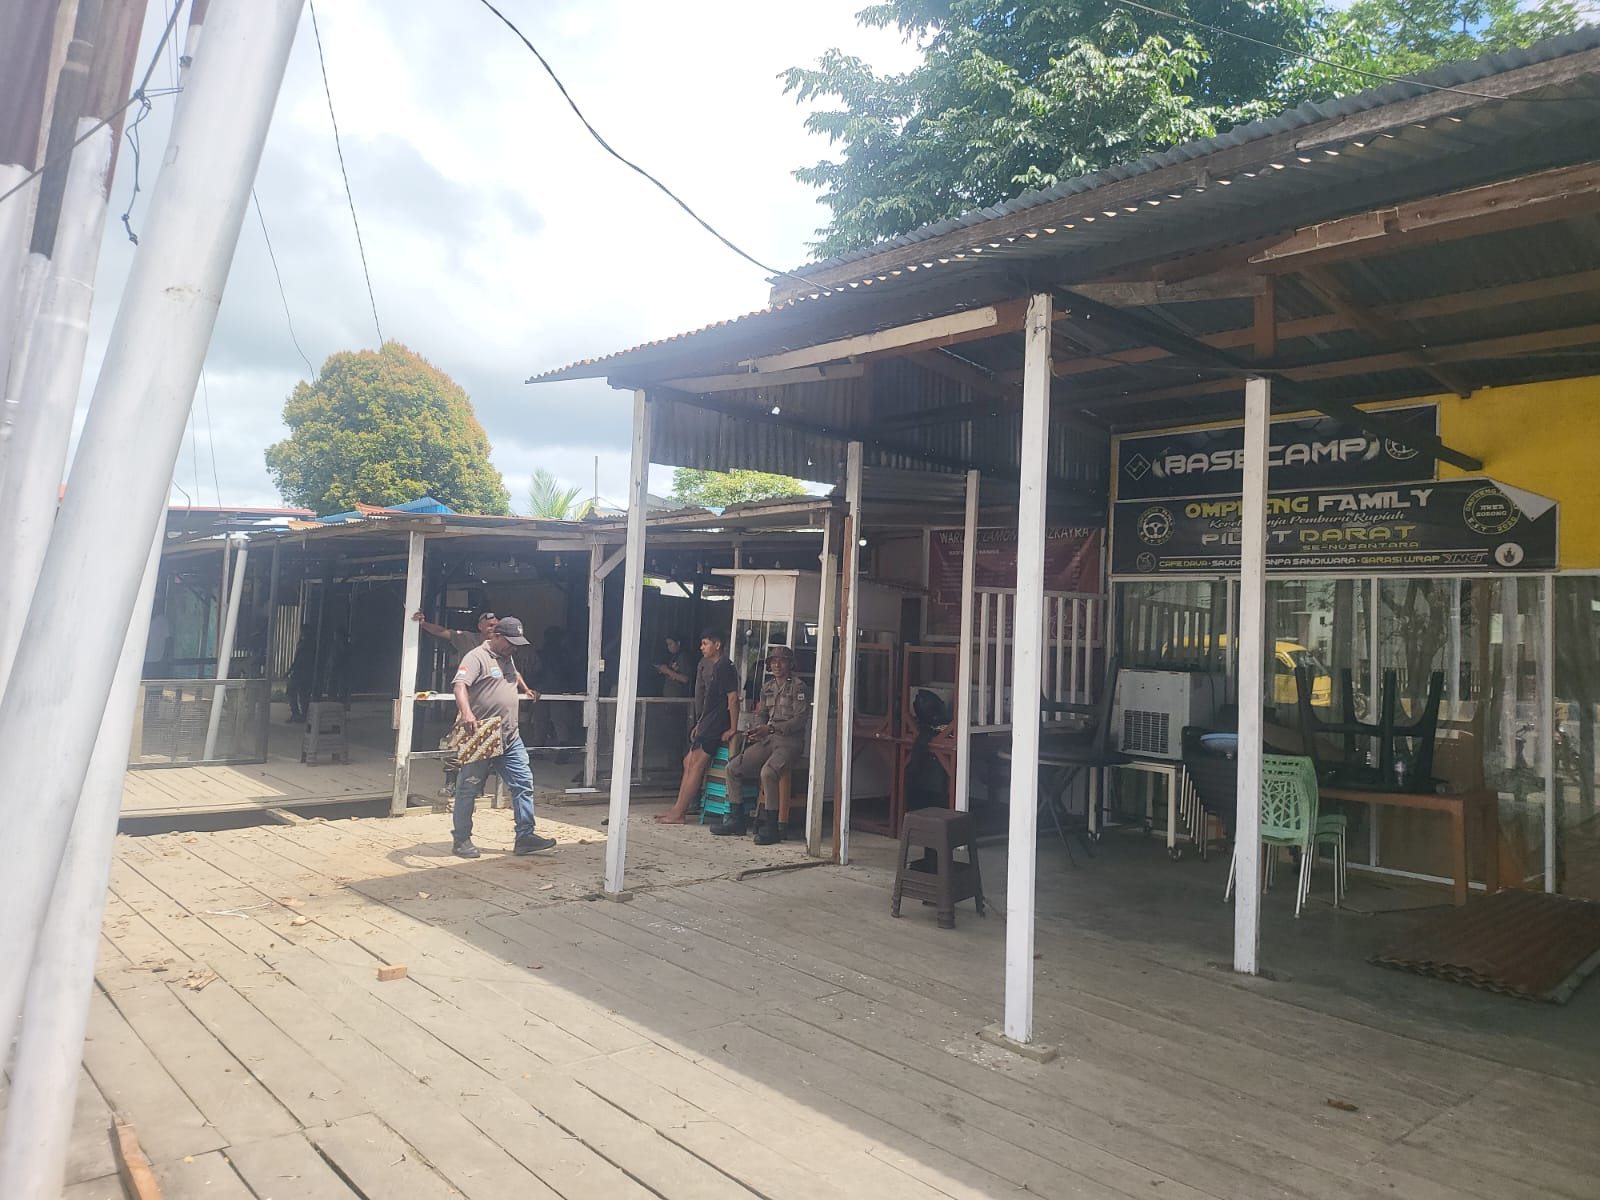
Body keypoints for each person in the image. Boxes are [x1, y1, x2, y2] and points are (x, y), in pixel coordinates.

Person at [449, 616, 556, 859]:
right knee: (469, 788)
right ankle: (461, 839)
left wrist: (525, 689)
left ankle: (525, 836)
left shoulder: (507, 657)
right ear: (496, 636)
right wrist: (466, 713)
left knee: (523, 783)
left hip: (509, 735)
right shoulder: (476, 657)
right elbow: (460, 686)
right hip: (482, 734)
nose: (513, 648)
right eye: (510, 642)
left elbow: (514, 675)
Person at [717, 645, 809, 843]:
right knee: (733, 768)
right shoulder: (767, 687)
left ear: (790, 664)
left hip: (790, 742)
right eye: (773, 661)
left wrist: (772, 729)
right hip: (768, 739)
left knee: (768, 773)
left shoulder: (798, 687)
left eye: (781, 661)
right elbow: (762, 714)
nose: (777, 665)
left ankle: (772, 826)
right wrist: (757, 730)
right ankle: (736, 819)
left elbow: (800, 719)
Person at [655, 629, 739, 824]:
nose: (702, 648)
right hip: (706, 721)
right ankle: (677, 808)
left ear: (717, 645)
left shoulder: (725, 666)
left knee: (696, 765)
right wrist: (700, 722)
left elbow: (733, 698)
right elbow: (709, 700)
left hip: (716, 723)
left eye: (705, 644)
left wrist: (733, 727)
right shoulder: (712, 666)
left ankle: (680, 813)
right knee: (688, 762)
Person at [414, 608, 496, 665]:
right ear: (480, 626)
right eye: (490, 625)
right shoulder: (466, 638)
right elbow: (441, 631)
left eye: (497, 626)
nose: (494, 629)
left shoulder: (501, 643)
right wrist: (423, 624)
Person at [286, 625, 315, 723]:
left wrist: (290, 671)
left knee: (292, 691)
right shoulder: (311, 643)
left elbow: (298, 660)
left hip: (300, 672)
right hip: (306, 672)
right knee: (303, 694)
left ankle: (296, 713)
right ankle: (302, 715)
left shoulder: (304, 644)